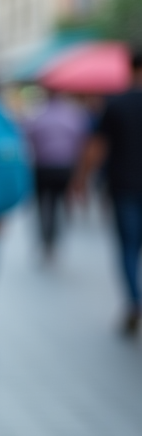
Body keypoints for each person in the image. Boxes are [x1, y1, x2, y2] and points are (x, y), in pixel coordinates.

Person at [71, 50, 142, 336]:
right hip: (124, 187)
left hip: (124, 187)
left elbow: (96, 147)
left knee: (127, 248)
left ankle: (134, 301)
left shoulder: (115, 104)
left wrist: (81, 179)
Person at [23, 90, 89, 260]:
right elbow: (81, 143)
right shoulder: (73, 116)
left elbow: (29, 140)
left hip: (42, 167)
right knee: (61, 204)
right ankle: (55, 238)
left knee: (43, 205)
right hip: (64, 168)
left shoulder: (38, 115)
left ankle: (46, 239)